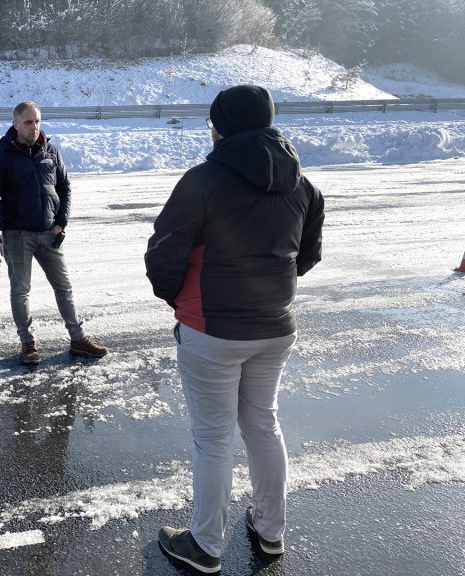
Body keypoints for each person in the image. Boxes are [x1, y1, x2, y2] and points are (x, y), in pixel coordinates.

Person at [145, 85, 324, 573]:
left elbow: (163, 251)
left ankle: (205, 546)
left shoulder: (203, 180)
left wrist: (177, 298)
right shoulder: (302, 183)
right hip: (276, 326)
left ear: (221, 126)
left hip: (213, 329)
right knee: (263, 424)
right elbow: (306, 257)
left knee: (214, 438)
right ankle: (270, 533)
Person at [0, 101, 109, 364]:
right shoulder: (2, 157)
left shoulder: (50, 150)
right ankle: (27, 344)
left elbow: (65, 187)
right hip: (17, 235)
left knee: (64, 288)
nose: (34, 127)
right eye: (28, 122)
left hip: (49, 234)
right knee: (20, 291)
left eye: (37, 121)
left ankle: (78, 339)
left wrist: (61, 222)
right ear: (15, 123)